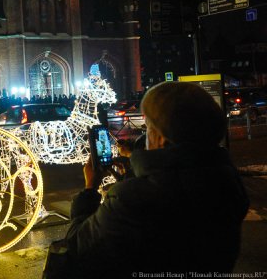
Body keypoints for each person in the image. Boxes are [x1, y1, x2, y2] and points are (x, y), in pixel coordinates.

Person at [44, 81, 249, 278]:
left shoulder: (131, 199)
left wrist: (90, 189)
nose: (144, 136)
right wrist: (133, 168)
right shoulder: (227, 182)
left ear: (160, 137)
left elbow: (76, 249)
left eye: (148, 128)